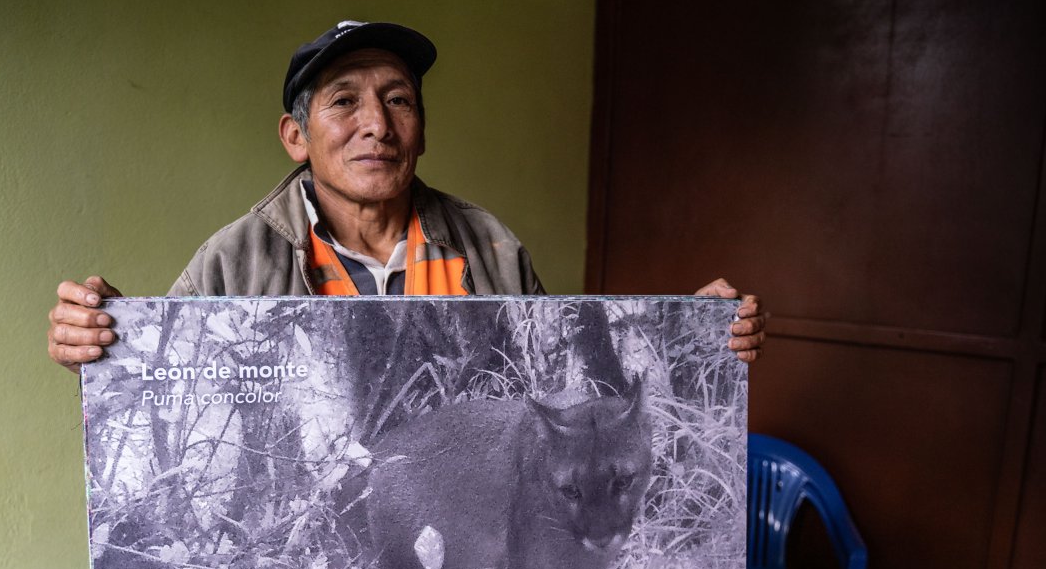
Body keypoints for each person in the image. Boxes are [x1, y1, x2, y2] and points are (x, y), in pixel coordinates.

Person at [47, 21, 766, 374]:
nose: (377, 125)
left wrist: (689, 338)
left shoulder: (487, 246)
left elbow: (559, 379)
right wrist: (99, 343)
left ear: (422, 130)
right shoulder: (235, 259)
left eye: (398, 100)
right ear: (296, 137)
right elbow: (167, 389)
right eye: (344, 102)